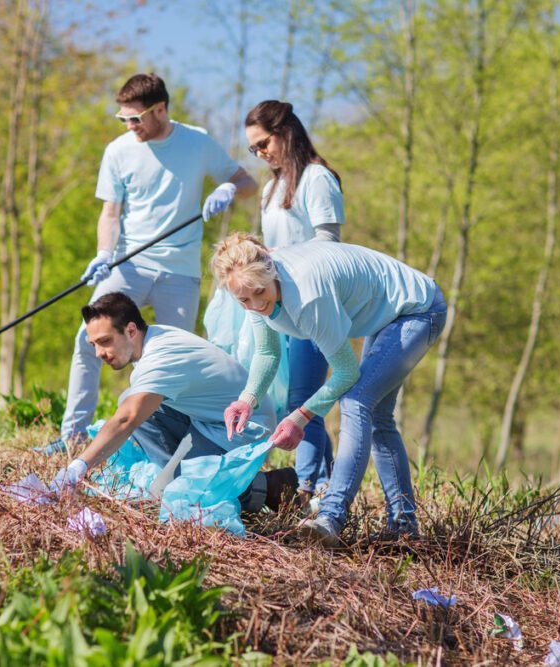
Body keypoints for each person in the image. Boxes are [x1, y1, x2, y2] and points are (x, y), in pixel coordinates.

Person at [211, 233, 448, 545]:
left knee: (356, 401)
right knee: (377, 416)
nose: (256, 305)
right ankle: (403, 528)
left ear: (271, 270)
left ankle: (331, 516)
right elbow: (267, 354)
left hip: (418, 308)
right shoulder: (253, 288)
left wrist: (300, 417)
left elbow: (346, 372)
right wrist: (247, 399)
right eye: (244, 300)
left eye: (259, 293)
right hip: (385, 315)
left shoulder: (309, 297)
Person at [59, 73, 257, 444]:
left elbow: (248, 182)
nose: (130, 126)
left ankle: (184, 440)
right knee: (86, 341)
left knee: (178, 362)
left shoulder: (197, 142)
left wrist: (230, 187)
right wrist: (105, 252)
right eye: (124, 120)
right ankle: (72, 436)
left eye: (136, 118)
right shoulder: (118, 151)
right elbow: (111, 213)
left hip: (180, 272)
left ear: (161, 110)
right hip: (129, 265)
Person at [50, 292, 298, 513]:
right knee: (130, 398)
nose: (98, 353)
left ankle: (266, 486)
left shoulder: (161, 356)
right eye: (94, 345)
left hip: (243, 427)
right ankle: (185, 476)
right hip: (210, 420)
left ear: (131, 330)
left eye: (105, 341)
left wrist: (79, 466)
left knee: (174, 494)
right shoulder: (153, 340)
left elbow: (127, 418)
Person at [244, 100, 343, 503]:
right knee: (293, 398)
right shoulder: (270, 188)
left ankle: (305, 489)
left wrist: (285, 262)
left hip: (312, 301)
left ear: (286, 131)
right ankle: (325, 479)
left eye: (263, 143)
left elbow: (329, 244)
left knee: (303, 399)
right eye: (252, 150)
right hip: (279, 304)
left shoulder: (317, 179)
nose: (260, 154)